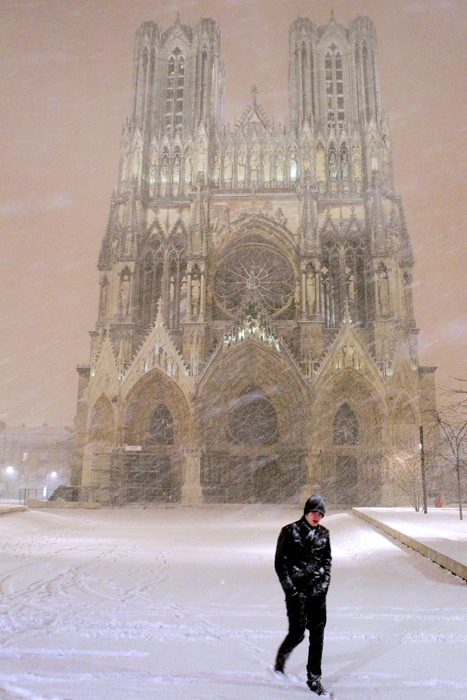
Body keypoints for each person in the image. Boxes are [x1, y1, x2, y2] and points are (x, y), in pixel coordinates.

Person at [274, 495, 332, 697]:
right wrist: (291, 590)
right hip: (297, 594)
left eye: (321, 513)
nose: (317, 516)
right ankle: (281, 659)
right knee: (297, 633)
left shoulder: (324, 534)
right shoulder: (289, 531)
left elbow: (327, 561)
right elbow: (280, 564)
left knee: (317, 637)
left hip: (317, 594)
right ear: (306, 512)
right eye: (314, 512)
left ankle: (314, 678)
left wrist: (324, 585)